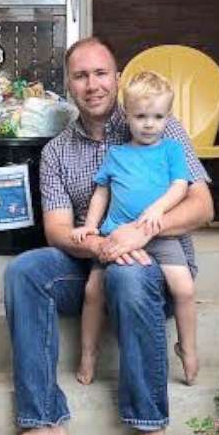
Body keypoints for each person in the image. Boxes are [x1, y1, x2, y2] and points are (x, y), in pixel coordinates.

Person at [0, 35, 212, 435]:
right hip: (90, 261)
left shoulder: (160, 124)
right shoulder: (56, 152)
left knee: (127, 278)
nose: (93, 84)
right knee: (26, 272)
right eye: (81, 75)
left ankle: (151, 431)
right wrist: (107, 247)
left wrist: (138, 234)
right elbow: (58, 230)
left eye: (101, 73)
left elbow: (202, 206)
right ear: (68, 85)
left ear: (117, 77)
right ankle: (43, 425)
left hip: (158, 264)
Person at [73, 70, 198, 388]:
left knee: (184, 288)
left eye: (157, 117)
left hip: (160, 234)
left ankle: (188, 348)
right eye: (141, 116)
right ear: (126, 115)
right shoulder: (117, 154)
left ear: (167, 117)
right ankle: (88, 352)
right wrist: (90, 227)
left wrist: (158, 209)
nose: (148, 124)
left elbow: (181, 186)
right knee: (92, 292)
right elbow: (102, 192)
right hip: (116, 233)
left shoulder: (171, 149)